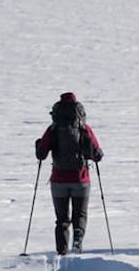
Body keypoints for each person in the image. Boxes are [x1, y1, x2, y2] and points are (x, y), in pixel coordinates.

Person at [34, 91, 104, 255]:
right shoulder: (84, 128)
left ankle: (62, 250)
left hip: (58, 180)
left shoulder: (53, 129)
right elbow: (97, 155)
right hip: (81, 179)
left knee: (62, 219)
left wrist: (38, 145)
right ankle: (78, 241)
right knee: (80, 214)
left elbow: (41, 154)